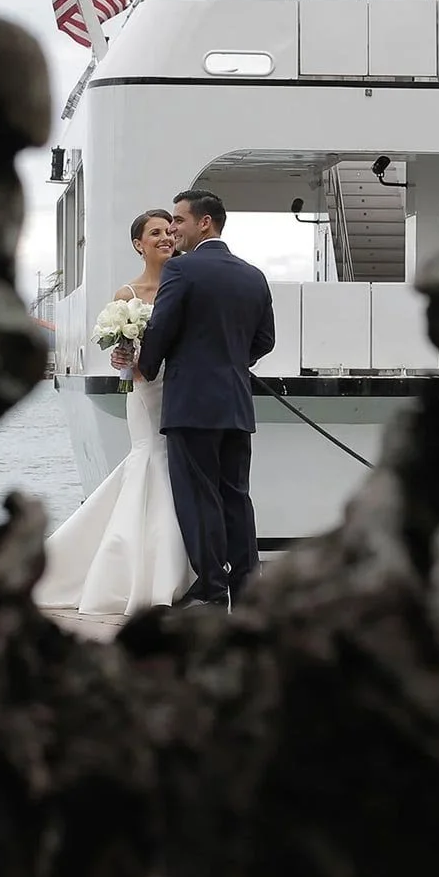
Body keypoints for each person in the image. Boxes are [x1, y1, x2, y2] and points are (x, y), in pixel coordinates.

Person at [116, 189, 275, 607]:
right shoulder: (253, 274)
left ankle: (210, 584)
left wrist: (144, 367)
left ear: (204, 222)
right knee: (236, 496)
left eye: (179, 220)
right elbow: (265, 340)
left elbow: (163, 328)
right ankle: (247, 586)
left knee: (199, 495)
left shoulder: (182, 272)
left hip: (190, 403)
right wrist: (231, 364)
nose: (173, 228)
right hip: (237, 403)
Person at [33, 209, 196, 615]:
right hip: (145, 390)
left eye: (168, 230)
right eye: (154, 233)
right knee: (150, 460)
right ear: (139, 244)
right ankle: (143, 573)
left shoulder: (189, 282)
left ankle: (175, 569)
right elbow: (120, 358)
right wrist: (123, 358)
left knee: (178, 467)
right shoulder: (127, 295)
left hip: (183, 389)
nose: (165, 237)